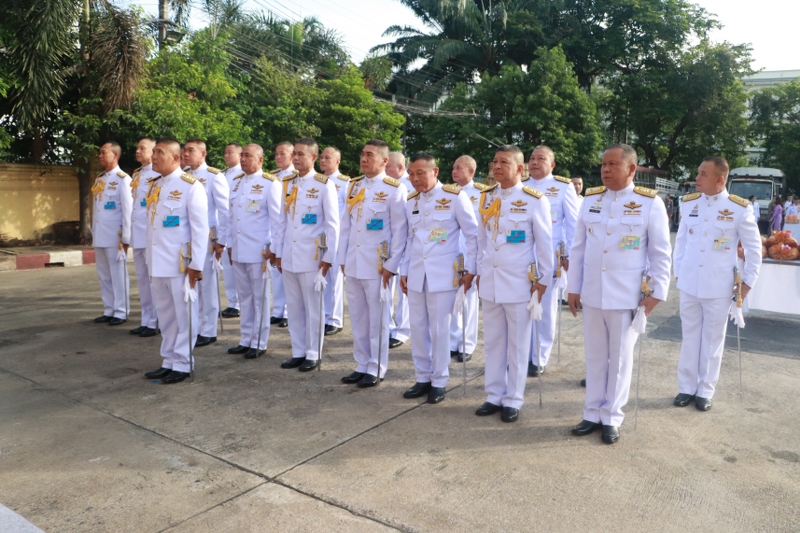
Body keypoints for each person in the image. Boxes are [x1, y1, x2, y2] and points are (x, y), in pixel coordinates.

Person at [568, 143, 671, 444]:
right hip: (593, 292)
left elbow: (660, 253)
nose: (605, 169)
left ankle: (612, 416)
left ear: (631, 169)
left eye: (613, 164)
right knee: (595, 357)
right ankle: (591, 412)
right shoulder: (591, 200)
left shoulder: (649, 203)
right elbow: (578, 248)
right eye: (603, 164)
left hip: (627, 295)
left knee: (621, 359)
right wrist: (573, 287)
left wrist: (656, 293)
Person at [673, 156, 762, 411]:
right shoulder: (689, 203)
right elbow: (681, 241)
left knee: (712, 339)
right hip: (690, 282)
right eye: (698, 172)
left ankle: (705, 390)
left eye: (703, 174)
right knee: (690, 337)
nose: (697, 177)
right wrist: (679, 271)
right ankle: (686, 387)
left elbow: (754, 249)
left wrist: (747, 283)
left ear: (719, 179)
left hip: (719, 284)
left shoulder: (738, 208)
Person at [474, 145, 553, 423]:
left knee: (518, 346)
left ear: (520, 169)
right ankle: (494, 394)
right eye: (494, 162)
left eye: (504, 162)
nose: (496, 167)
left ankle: (513, 399)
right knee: (494, 342)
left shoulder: (534, 200)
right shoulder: (486, 197)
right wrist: (478, 271)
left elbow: (544, 245)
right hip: (491, 281)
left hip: (520, 283)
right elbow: (481, 242)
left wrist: (543, 280)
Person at [399, 153, 479, 404]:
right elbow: (409, 239)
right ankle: (422, 377)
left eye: (420, 173)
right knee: (418, 328)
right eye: (411, 173)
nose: (414, 178)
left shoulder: (455, 197)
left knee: (440, 330)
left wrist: (471, 270)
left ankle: (439, 380)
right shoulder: (411, 200)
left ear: (435, 172)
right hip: (416, 273)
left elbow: (473, 235)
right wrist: (404, 271)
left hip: (443, 275)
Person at [338, 140, 408, 387]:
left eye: (370, 155)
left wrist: (391, 265)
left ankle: (376, 366)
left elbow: (400, 231)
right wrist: (342, 258)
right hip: (354, 261)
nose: (364, 158)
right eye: (362, 154)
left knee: (377, 318)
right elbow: (345, 227)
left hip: (378, 264)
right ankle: (361, 363)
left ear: (384, 160)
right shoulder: (354, 185)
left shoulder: (394, 189)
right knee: (358, 318)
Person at [143, 138, 209, 384]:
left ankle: (183, 363)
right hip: (157, 262)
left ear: (175, 158)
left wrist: (196, 266)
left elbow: (200, 229)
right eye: (153, 152)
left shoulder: (191, 186)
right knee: (166, 316)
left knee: (184, 316)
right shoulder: (154, 185)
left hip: (180, 264)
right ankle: (169, 360)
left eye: (159, 152)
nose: (154, 156)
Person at [276, 138, 340, 372]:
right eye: (294, 153)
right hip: (290, 255)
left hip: (312, 257)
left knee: (313, 308)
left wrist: (328, 258)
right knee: (294, 307)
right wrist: (278, 252)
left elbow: (332, 225)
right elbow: (281, 222)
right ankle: (298, 351)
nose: (295, 158)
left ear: (313, 157)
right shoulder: (287, 183)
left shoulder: (324, 184)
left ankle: (313, 353)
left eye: (301, 154)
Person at [525, 146, 579, 377]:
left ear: (552, 164)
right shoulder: (521, 186)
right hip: (523, 255)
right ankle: (521, 354)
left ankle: (538, 357)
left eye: (541, 159)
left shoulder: (563, 187)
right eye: (532, 158)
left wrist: (570, 256)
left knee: (545, 308)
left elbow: (573, 224)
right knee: (521, 308)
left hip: (550, 257)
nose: (535, 162)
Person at [226, 144, 282, 359]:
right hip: (238, 248)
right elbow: (231, 217)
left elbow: (277, 220)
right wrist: (229, 244)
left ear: (260, 159)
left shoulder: (270, 183)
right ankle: (245, 338)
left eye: (248, 156)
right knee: (244, 297)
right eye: (242, 155)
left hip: (259, 250)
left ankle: (259, 341)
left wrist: (274, 248)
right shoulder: (236, 181)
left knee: (260, 297)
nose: (243, 159)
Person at [183, 139, 230, 347]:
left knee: (207, 286)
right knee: (191, 284)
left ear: (203, 153)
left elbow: (225, 211)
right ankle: (195, 326)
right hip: (188, 240)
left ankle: (208, 330)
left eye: (191, 150)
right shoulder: (184, 175)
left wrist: (221, 241)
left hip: (208, 239)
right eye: (185, 150)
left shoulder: (213, 176)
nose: (186, 154)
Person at [448, 155, 486, 362]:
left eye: (459, 168)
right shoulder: (448, 193)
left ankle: (467, 344)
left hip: (471, 252)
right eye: (454, 168)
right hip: (452, 252)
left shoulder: (482, 193)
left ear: (471, 171)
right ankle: (453, 342)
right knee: (452, 300)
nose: (454, 171)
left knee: (469, 301)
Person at [91, 142, 132, 326]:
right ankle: (109, 309)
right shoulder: (99, 179)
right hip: (100, 234)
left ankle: (121, 311)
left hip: (115, 237)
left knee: (118, 275)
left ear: (115, 155)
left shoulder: (123, 179)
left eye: (103, 152)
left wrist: (126, 237)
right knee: (104, 275)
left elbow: (127, 211)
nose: (100, 156)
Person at [128, 138, 159, 337]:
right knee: (142, 279)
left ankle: (156, 321)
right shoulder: (137, 174)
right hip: (138, 233)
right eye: (137, 147)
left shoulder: (159, 174)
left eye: (142, 148)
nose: (138, 151)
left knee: (153, 280)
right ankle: (146, 319)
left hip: (151, 234)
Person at [318, 146, 350, 336]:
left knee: (335, 278)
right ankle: (324, 315)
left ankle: (335, 319)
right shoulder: (317, 182)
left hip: (336, 236)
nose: (323, 160)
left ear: (337, 161)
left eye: (327, 158)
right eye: (321, 157)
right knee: (320, 277)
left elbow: (346, 212)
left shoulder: (345, 183)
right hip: (318, 236)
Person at [385, 151, 412, 348]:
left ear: (400, 167)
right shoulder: (384, 186)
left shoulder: (412, 185)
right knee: (385, 286)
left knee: (404, 289)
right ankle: (386, 326)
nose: (384, 170)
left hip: (408, 243)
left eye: (388, 167)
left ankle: (402, 331)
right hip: (388, 243)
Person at [269, 141, 296, 328]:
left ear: (292, 156)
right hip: (275, 230)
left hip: (291, 230)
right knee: (276, 275)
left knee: (289, 275)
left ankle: (288, 312)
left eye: (282, 154)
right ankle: (278, 310)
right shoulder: (272, 177)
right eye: (276, 154)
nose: (278, 157)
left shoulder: (297, 177)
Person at [220, 142, 244, 319]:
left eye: (230, 152)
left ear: (240, 155)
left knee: (239, 270)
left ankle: (239, 303)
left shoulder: (243, 175)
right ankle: (231, 302)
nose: (226, 155)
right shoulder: (221, 175)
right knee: (227, 269)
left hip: (239, 228)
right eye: (225, 152)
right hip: (225, 227)